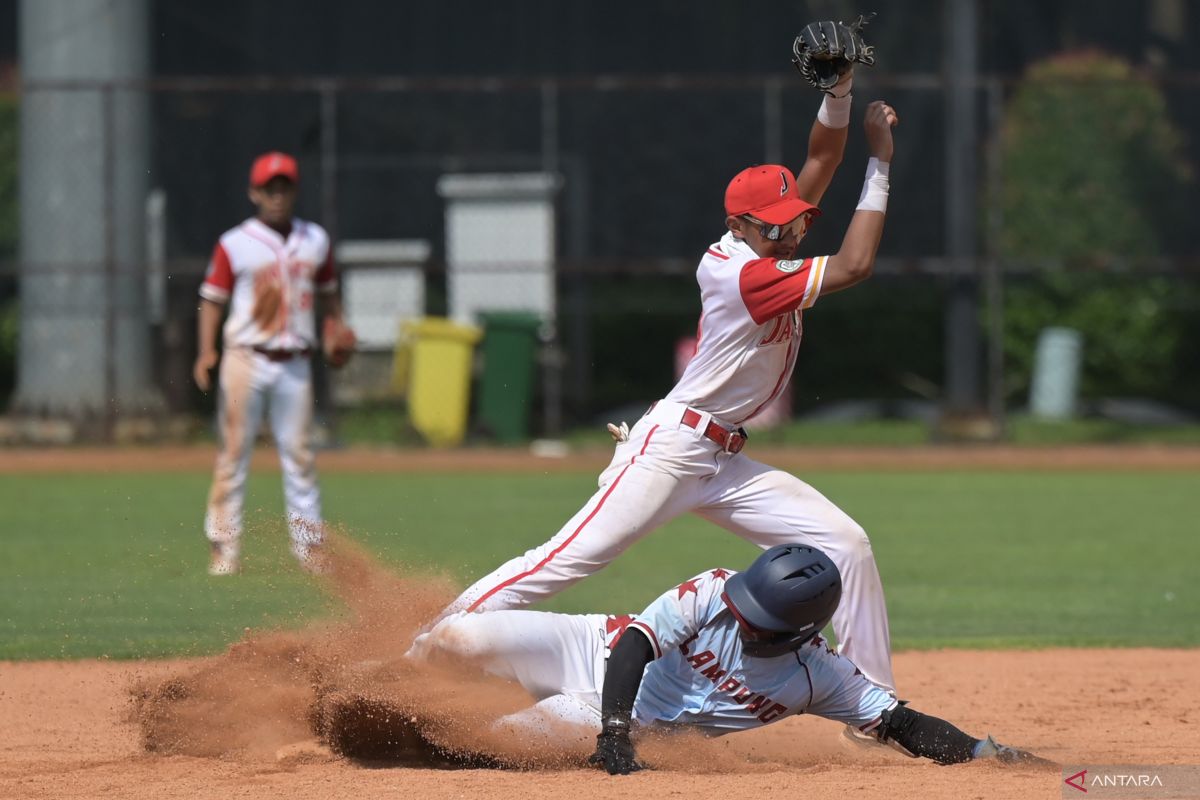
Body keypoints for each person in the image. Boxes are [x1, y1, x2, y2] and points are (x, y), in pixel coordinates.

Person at [430, 68, 902, 697]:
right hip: (671, 451)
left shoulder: (769, 241)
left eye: (791, 219)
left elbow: (820, 156)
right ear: (738, 224)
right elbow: (856, 263)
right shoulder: (743, 273)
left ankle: (870, 701)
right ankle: (422, 650)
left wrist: (838, 90)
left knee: (844, 542)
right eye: (772, 224)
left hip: (720, 456)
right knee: (566, 559)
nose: (788, 231)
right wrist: (881, 165)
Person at [412, 544, 1046, 774]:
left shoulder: (820, 677)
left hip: (639, 725)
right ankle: (388, 675)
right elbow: (635, 642)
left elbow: (901, 725)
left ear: (800, 632)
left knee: (485, 742)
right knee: (460, 638)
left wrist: (982, 753)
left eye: (759, 622)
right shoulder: (716, 586)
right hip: (595, 649)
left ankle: (396, 729)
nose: (740, 617)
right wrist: (611, 730)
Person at [193, 151, 346, 576]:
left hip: (296, 362)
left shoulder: (315, 239)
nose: (277, 195)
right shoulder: (235, 243)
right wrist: (206, 351)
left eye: (285, 187)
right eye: (269, 188)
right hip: (246, 358)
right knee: (233, 455)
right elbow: (211, 300)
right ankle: (224, 547)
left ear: (295, 191)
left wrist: (336, 328)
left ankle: (310, 549)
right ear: (254, 192)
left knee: (299, 457)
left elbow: (329, 294)